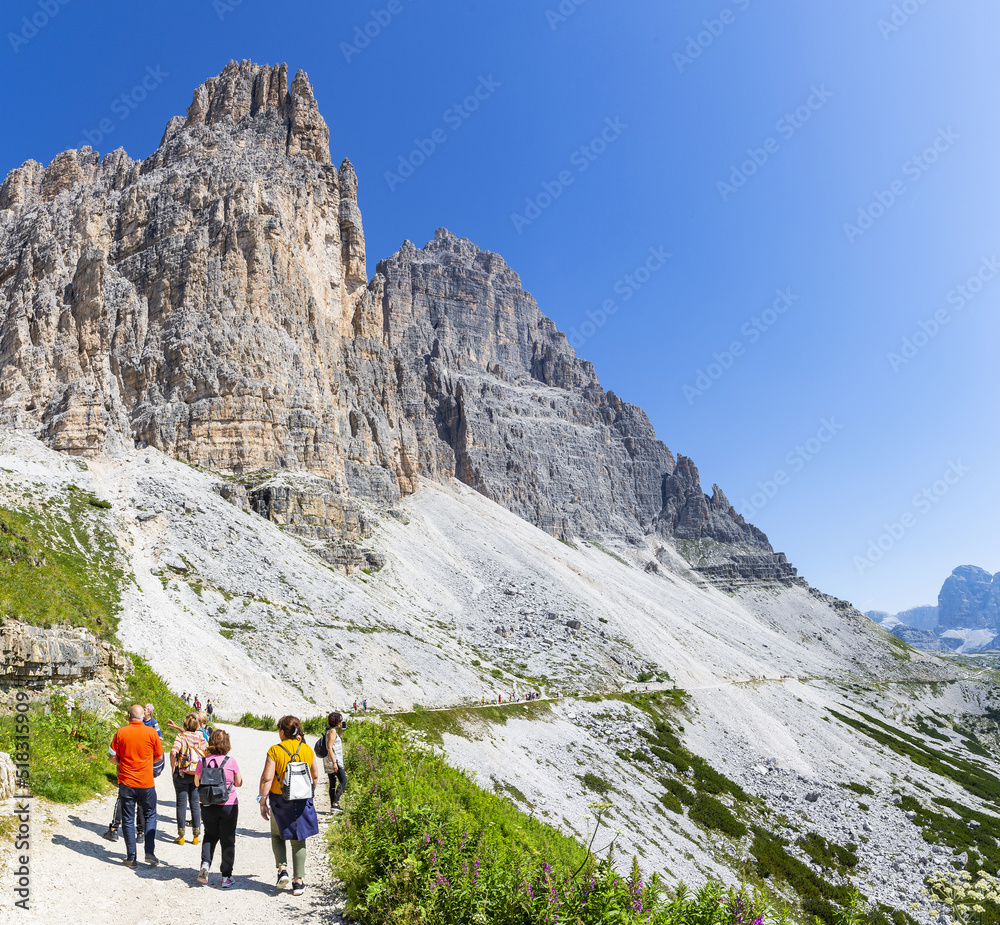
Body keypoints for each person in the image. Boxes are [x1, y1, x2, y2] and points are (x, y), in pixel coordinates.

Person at [258, 715, 320, 896]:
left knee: (277, 835)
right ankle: (298, 882)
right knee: (299, 839)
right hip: (302, 800)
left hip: (279, 798)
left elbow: (267, 778)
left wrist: (262, 800)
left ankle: (282, 870)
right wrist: (309, 794)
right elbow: (315, 776)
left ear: (283, 732)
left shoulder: (275, 750)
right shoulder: (307, 750)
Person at [110, 704, 163, 867]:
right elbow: (159, 756)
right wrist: (147, 763)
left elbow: (112, 755)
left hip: (126, 781)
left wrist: (122, 763)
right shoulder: (152, 732)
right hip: (146, 782)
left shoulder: (121, 732)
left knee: (127, 817)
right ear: (142, 717)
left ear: (129, 716)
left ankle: (131, 857)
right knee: (150, 815)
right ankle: (149, 852)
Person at [195, 729, 242, 887]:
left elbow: (196, 783)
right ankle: (226, 877)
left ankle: (205, 865)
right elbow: (239, 782)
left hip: (208, 804)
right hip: (228, 804)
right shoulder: (231, 761)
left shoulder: (203, 761)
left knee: (210, 835)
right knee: (228, 840)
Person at [170, 713, 205, 845]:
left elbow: (174, 752)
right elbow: (206, 752)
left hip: (182, 773)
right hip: (196, 774)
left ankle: (181, 836)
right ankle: (196, 836)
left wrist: (173, 767)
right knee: (195, 804)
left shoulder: (181, 736)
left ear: (185, 725)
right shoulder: (201, 738)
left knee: (181, 804)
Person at [322, 712, 346, 813]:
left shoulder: (330, 730)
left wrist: (341, 731)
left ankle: (333, 807)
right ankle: (336, 803)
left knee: (332, 783)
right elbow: (329, 747)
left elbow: (336, 741)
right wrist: (334, 763)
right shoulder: (332, 731)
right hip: (334, 760)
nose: (341, 722)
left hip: (329, 760)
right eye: (340, 720)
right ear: (336, 721)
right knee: (343, 780)